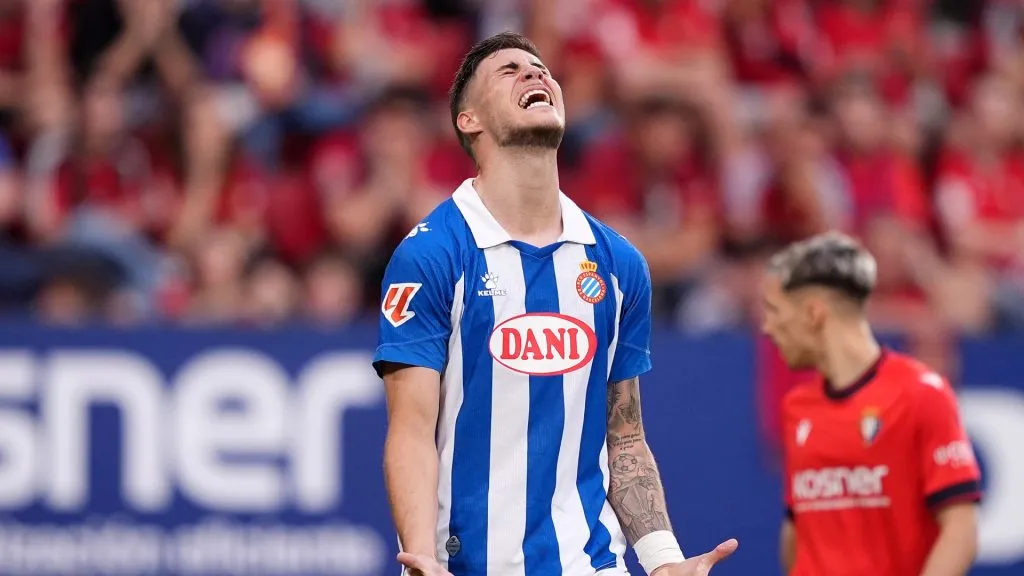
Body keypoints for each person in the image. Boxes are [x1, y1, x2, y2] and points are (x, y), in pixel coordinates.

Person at [372, 32, 738, 576]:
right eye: (509, 70)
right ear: (468, 120)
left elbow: (626, 435)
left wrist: (661, 559)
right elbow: (410, 432)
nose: (535, 74)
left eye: (542, 68)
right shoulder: (431, 255)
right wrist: (421, 559)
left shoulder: (618, 264)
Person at [760, 231, 982, 576]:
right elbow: (798, 532)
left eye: (775, 311)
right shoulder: (797, 408)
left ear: (814, 313)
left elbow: (960, 529)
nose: (768, 328)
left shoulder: (922, 393)